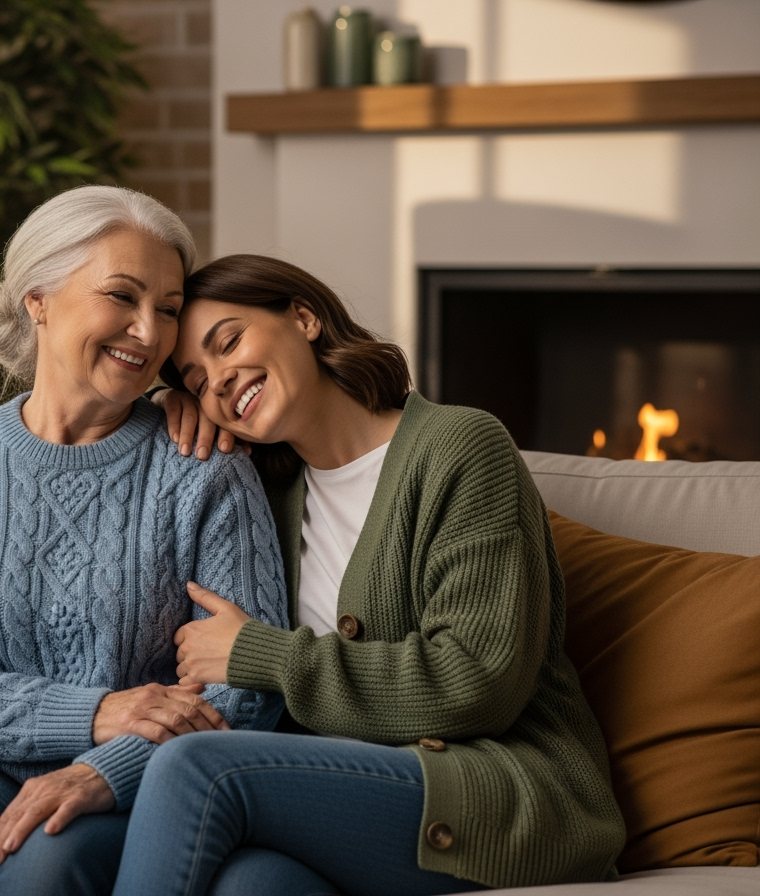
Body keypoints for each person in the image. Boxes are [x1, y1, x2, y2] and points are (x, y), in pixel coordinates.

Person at [118, 254, 625, 896]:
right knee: (254, 884)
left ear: (304, 318)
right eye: (197, 379)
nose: (219, 380)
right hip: (358, 797)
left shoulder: (461, 447)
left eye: (230, 342)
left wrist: (263, 655)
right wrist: (161, 406)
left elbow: (478, 682)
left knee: (196, 770)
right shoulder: (261, 495)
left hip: (503, 795)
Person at [0, 191, 288, 896]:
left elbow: (245, 690)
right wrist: (91, 712)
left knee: (45, 868)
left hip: (131, 775)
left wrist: (104, 767)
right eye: (123, 295)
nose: (149, 331)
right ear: (38, 299)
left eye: (169, 308)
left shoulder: (205, 468)